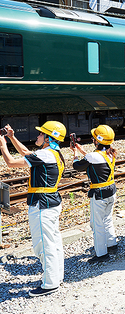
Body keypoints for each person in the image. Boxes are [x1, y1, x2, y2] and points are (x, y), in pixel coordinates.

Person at [0, 121, 66, 296]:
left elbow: (11, 162)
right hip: (51, 202)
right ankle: (56, 277)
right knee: (54, 241)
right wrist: (12, 137)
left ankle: (50, 283)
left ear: (48, 138)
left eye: (40, 134)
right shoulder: (54, 153)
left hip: (42, 204)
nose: (37, 136)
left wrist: (2, 145)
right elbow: (26, 153)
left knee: (43, 245)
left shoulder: (45, 155)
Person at [72, 124, 118, 263]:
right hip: (111, 191)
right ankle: (112, 245)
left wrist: (75, 153)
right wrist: (82, 150)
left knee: (97, 224)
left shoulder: (93, 156)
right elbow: (95, 159)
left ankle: (101, 254)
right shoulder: (110, 153)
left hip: (99, 195)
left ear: (97, 141)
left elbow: (77, 166)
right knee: (108, 219)